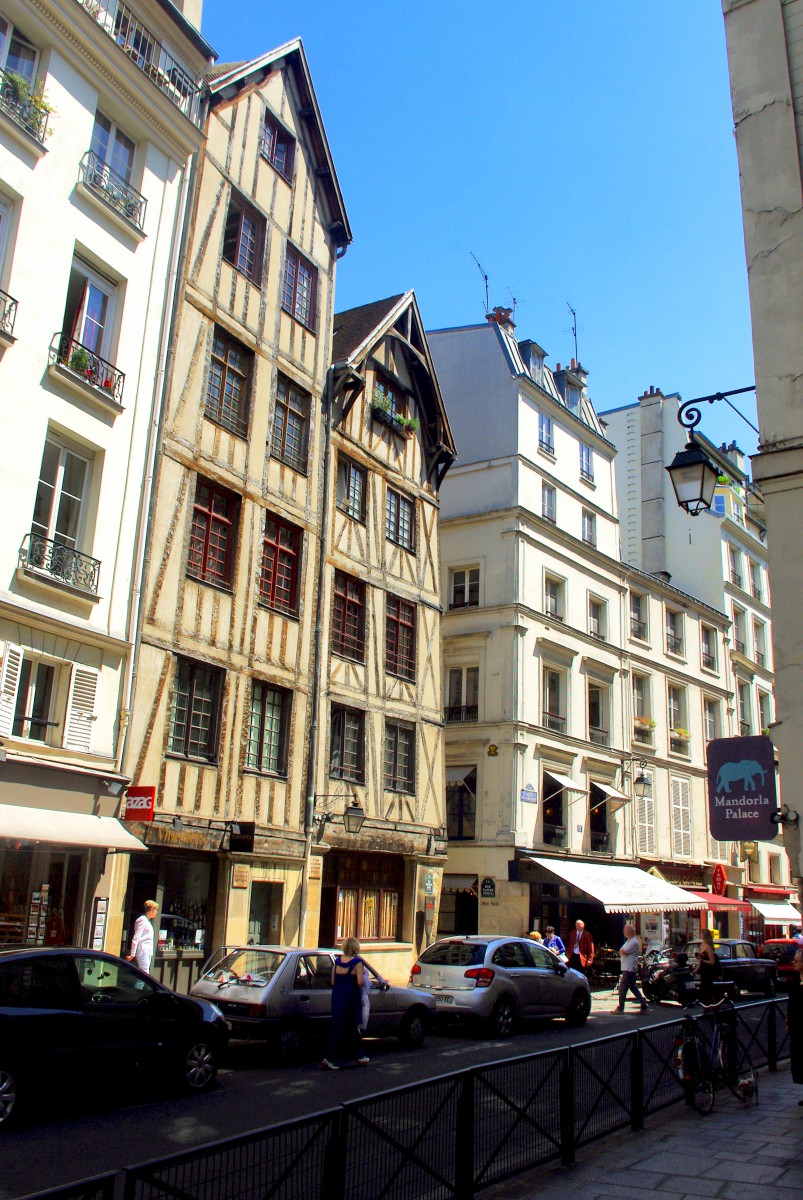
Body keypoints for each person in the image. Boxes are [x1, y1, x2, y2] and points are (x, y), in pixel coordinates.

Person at [321, 937, 369, 1070]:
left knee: (343, 1026)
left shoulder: (337, 961)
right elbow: (360, 982)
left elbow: (333, 981)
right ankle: (329, 1058)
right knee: (350, 1026)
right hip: (351, 997)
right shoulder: (357, 962)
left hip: (337, 997)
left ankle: (360, 1056)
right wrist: (365, 980)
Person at [612, 923, 648, 1014]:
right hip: (627, 967)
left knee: (623, 987)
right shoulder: (629, 941)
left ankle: (621, 1008)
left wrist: (622, 952)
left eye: (625, 930)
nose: (623, 932)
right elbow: (622, 950)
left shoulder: (633, 942)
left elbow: (624, 951)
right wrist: (621, 952)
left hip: (629, 968)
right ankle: (643, 1004)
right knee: (632, 987)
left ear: (628, 932)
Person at [785, 946, 803, 1104]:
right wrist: (787, 1022)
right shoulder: (795, 979)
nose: (794, 963)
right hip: (797, 1027)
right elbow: (791, 1004)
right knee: (799, 1059)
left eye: (797, 961)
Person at [126, 900, 158, 974]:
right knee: (144, 974)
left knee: (145, 974)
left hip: (147, 952)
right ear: (151, 910)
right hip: (143, 951)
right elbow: (136, 937)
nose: (156, 912)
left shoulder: (147, 921)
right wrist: (132, 954)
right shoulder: (142, 920)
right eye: (155, 910)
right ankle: (136, 986)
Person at [693, 927, 720, 1004]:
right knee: (703, 989)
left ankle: (711, 1005)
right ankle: (706, 1006)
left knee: (707, 989)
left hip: (708, 971)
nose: (700, 935)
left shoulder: (708, 947)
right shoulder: (702, 945)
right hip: (703, 971)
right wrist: (696, 970)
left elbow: (712, 962)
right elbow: (700, 961)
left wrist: (702, 960)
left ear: (704, 935)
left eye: (701, 934)